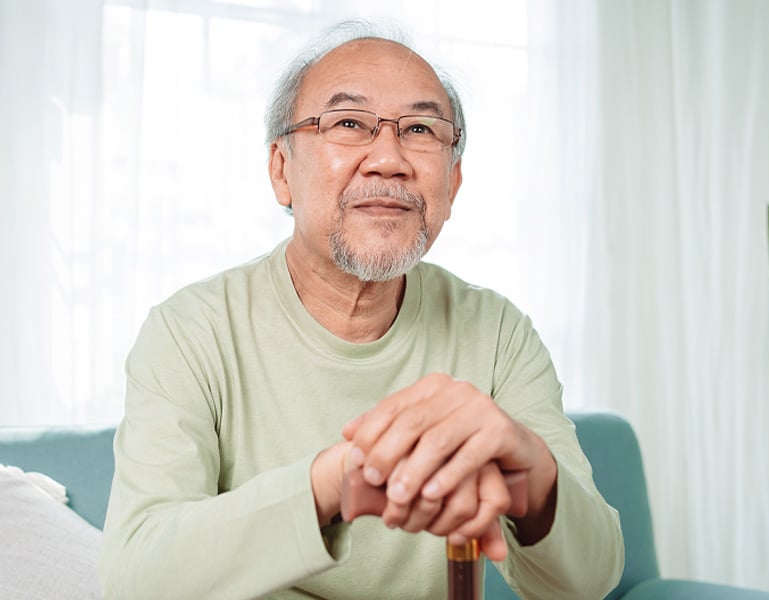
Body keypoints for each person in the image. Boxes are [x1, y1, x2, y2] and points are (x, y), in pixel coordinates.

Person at [99, 19, 624, 599]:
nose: (389, 159)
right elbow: (135, 579)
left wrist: (535, 475)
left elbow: (590, 581)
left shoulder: (499, 334)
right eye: (348, 123)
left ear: (452, 181)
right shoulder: (189, 332)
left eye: (421, 129)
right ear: (281, 170)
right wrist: (335, 484)